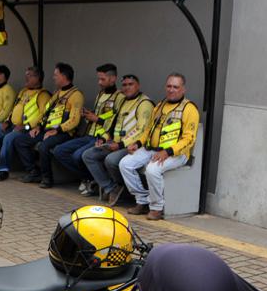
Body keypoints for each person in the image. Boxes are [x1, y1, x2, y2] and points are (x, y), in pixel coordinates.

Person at [118, 73, 200, 220]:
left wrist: (167, 152)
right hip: (152, 149)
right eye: (169, 86)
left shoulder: (189, 109)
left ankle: (156, 207)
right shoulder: (160, 106)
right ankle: (142, 200)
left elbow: (189, 139)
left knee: (152, 169)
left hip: (176, 154)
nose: (171, 89)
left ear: (183, 89)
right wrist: (137, 144)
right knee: (125, 163)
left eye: (176, 87)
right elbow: (148, 130)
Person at [81, 75, 154, 205]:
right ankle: (112, 187)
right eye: (124, 85)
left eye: (130, 84)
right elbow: (112, 124)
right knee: (88, 155)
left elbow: (142, 130)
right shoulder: (122, 101)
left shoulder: (144, 103)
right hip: (115, 143)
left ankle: (124, 190)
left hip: (132, 146)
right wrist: (104, 138)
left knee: (111, 160)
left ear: (138, 86)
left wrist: (120, 145)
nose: (127, 87)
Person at [51, 63, 122, 193]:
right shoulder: (100, 94)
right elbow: (97, 115)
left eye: (102, 79)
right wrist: (88, 115)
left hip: (102, 138)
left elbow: (117, 122)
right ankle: (89, 178)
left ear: (113, 79)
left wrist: (97, 119)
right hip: (88, 134)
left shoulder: (119, 97)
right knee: (59, 151)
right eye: (98, 79)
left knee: (78, 155)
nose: (99, 82)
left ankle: (96, 181)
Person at [14, 62, 83, 186]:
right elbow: (45, 112)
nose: (53, 77)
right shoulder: (57, 94)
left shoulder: (76, 95)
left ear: (64, 76)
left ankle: (47, 178)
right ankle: (33, 171)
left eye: (56, 75)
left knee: (44, 146)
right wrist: (38, 126)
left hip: (64, 133)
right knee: (20, 140)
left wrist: (57, 130)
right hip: (47, 130)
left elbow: (74, 120)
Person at [0, 67, 50, 181]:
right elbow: (14, 108)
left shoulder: (43, 95)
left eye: (29, 75)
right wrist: (7, 121)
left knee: (9, 138)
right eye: (26, 74)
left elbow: (44, 115)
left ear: (37, 78)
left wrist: (26, 126)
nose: (26, 77)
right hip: (13, 126)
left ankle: (3, 170)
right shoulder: (23, 91)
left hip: (28, 129)